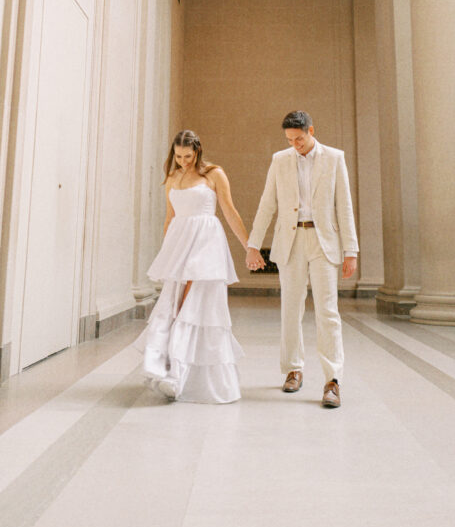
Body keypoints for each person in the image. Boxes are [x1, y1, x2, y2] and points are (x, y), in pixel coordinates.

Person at [136, 129, 260, 403]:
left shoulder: (214, 174)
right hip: (180, 244)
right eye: (179, 156)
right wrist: (166, 252)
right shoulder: (172, 177)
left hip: (206, 242)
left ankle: (186, 377)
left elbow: (229, 210)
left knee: (194, 305)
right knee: (175, 306)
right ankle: (174, 372)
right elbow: (170, 218)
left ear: (198, 151)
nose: (184, 162)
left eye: (188, 156)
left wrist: (249, 246)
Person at [246, 110, 358, 407]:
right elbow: (266, 203)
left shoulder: (334, 158)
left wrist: (351, 251)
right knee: (291, 308)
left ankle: (332, 380)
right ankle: (293, 369)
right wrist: (253, 244)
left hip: (324, 242)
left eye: (299, 138)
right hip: (291, 242)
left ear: (311, 130)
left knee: (327, 310)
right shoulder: (279, 160)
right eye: (289, 140)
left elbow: (344, 206)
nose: (294, 144)